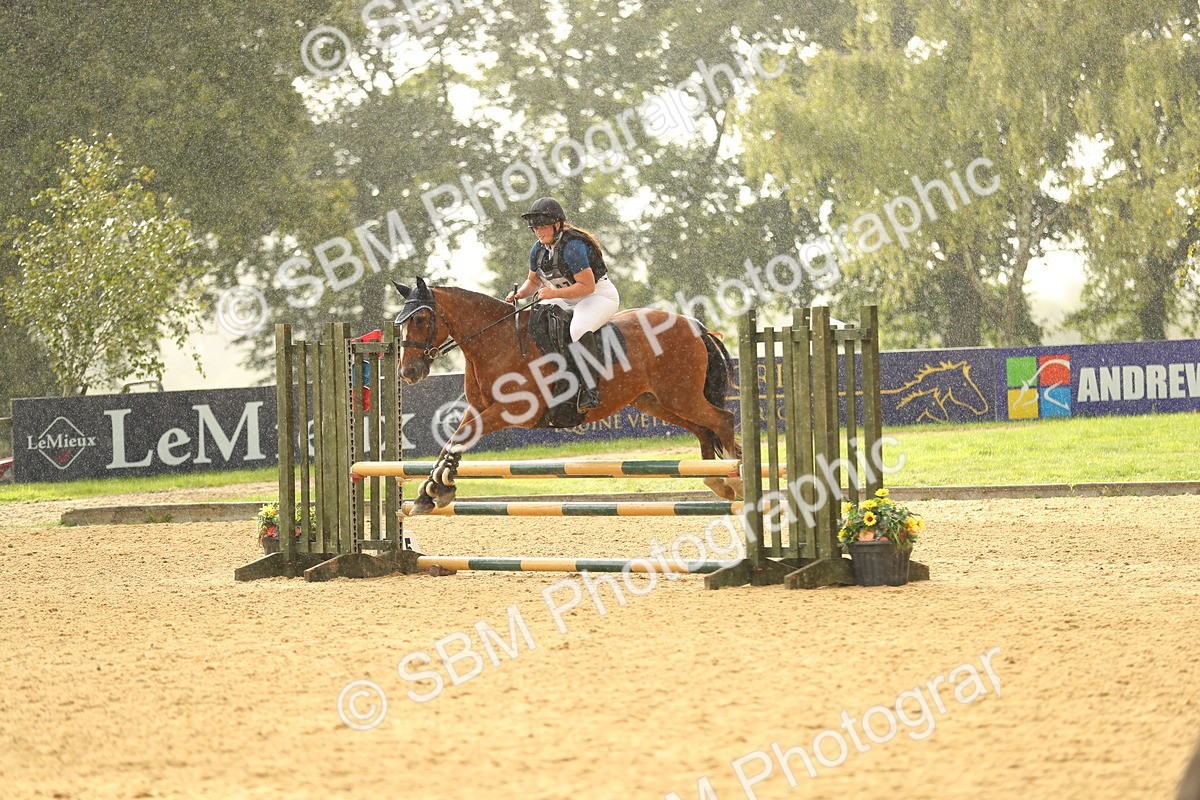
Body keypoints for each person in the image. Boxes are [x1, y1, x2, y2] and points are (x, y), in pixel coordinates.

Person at [505, 197, 620, 412]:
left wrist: (552, 293)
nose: (539, 232)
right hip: (570, 296)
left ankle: (590, 389)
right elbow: (534, 281)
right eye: (535, 228)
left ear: (557, 225)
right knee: (539, 315)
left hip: (598, 296)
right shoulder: (538, 249)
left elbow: (587, 287)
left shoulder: (573, 246)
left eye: (543, 227)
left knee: (578, 329)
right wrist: (519, 294)